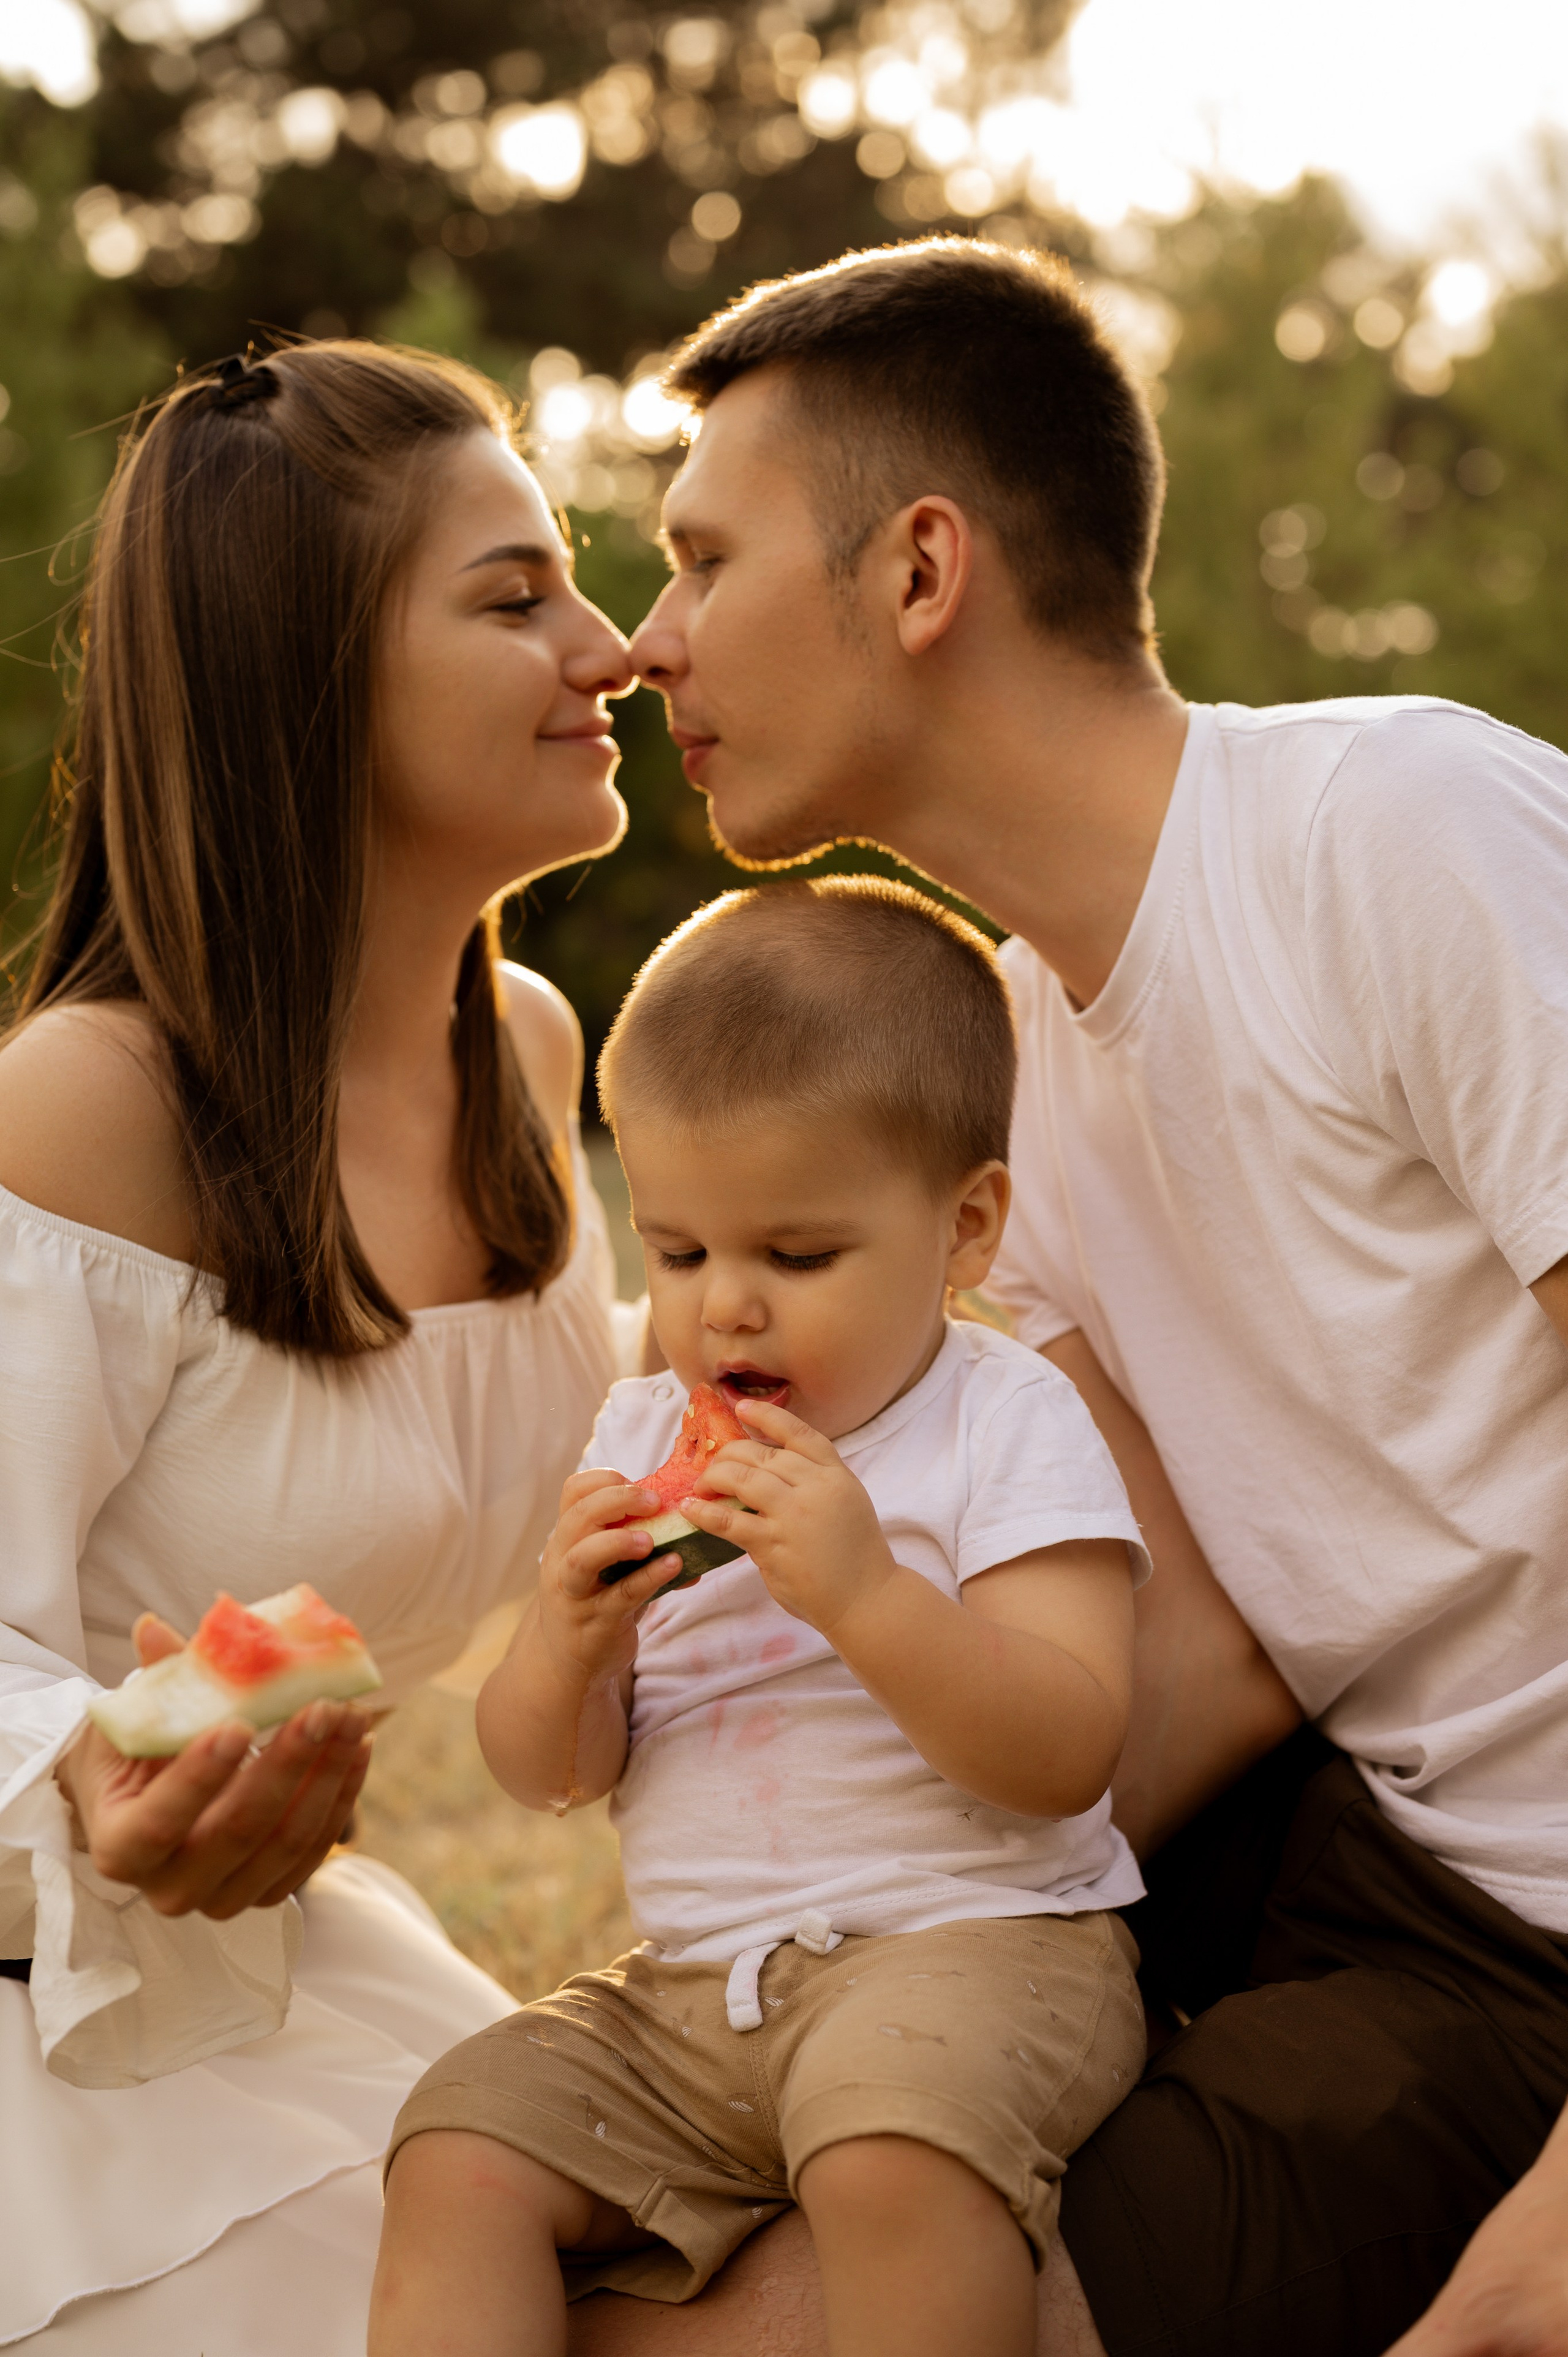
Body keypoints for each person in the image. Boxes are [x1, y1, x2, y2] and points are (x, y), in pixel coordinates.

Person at [606, 239, 1568, 2357]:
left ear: (921, 568)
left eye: (701, 556)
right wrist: (787, 1963)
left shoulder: (1387, 833)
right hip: (1354, 1858)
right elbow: (1200, 1640)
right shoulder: (1003, 1090)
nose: (645, 641)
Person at [0, 340, 639, 2353]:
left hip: (288, 1964)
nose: (608, 645)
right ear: (308, 673)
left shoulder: (526, 1053)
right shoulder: (87, 1105)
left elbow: (571, 1450)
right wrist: (81, 1769)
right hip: (58, 2042)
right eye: (513, 595)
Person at [371, 878, 1150, 2357]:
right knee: (455, 2143)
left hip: (976, 1947)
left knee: (886, 2157)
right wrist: (567, 1646)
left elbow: (1067, 1745)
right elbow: (544, 1771)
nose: (724, 1310)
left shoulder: (1001, 1418)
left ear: (964, 1227)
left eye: (794, 1258)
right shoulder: (638, 1428)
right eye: (676, 1253)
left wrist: (863, 1597)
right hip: (689, 1996)